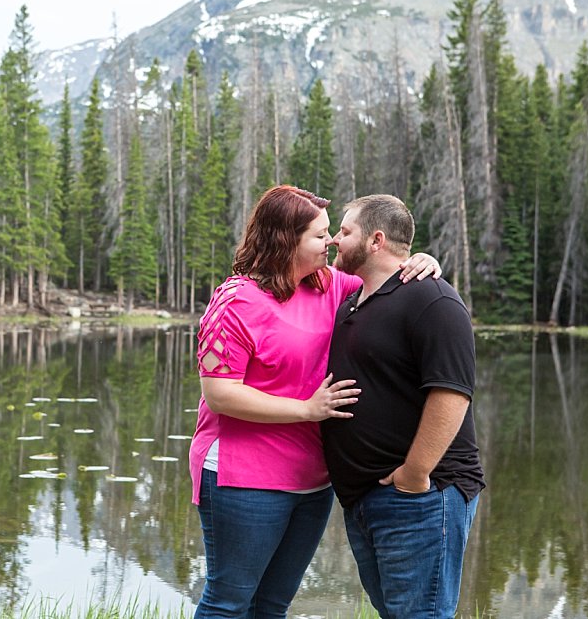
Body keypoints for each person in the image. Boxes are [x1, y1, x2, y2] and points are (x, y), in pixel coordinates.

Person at [189, 185, 440, 619]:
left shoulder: (330, 285)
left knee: (272, 605)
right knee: (229, 603)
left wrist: (420, 261)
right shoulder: (235, 301)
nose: (332, 242)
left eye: (332, 233)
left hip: (312, 480)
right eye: (320, 236)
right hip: (245, 478)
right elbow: (220, 392)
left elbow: (383, 271)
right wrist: (307, 409)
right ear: (286, 241)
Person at [321, 194, 485, 619]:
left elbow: (452, 394)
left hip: (420, 498)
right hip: (366, 500)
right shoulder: (353, 302)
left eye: (345, 231)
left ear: (376, 240)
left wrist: (414, 474)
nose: (336, 240)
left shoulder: (432, 300)